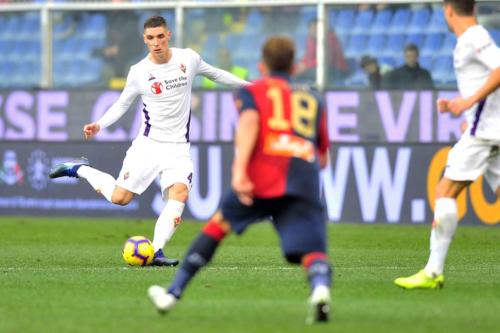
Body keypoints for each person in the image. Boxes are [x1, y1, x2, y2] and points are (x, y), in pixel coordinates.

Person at [147, 36, 333, 323]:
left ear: (262, 65)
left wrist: (240, 171)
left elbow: (249, 125)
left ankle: (172, 293)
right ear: (294, 67)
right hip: (303, 179)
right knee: (312, 249)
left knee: (219, 225)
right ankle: (320, 289)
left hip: (261, 177)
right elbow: (322, 158)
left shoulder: (255, 91)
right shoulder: (313, 97)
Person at [49, 16, 250, 267]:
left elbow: (218, 75)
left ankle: (156, 251)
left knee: (179, 193)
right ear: (145, 40)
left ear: (169, 36)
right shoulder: (139, 72)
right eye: (151, 38)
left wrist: (251, 87)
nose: (156, 43)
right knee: (120, 199)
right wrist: (99, 123)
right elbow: (122, 103)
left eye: (160, 37)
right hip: (148, 146)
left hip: (178, 148)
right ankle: (80, 169)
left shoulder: (188, 59)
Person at [394, 0, 500, 289]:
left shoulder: (473, 37)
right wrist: (465, 110)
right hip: (487, 128)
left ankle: (433, 271)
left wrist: (468, 102)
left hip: (485, 132)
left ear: (449, 11)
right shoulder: (471, 38)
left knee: (445, 190)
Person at [295, 20, 349, 86]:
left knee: (305, 73)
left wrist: (307, 66)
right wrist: (302, 64)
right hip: (316, 66)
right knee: (295, 71)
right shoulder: (310, 38)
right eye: (311, 29)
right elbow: (307, 56)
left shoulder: (330, 38)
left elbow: (327, 59)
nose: (313, 31)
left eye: (315, 28)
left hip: (335, 69)